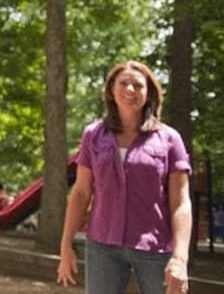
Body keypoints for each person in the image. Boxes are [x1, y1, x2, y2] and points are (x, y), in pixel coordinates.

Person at [57, 60, 192, 294]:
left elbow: (181, 203)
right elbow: (80, 192)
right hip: (103, 246)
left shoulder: (170, 139)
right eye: (124, 83)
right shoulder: (93, 135)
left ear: (149, 93)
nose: (130, 90)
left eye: (138, 86)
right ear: (111, 90)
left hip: (156, 248)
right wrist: (66, 244)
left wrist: (180, 257)